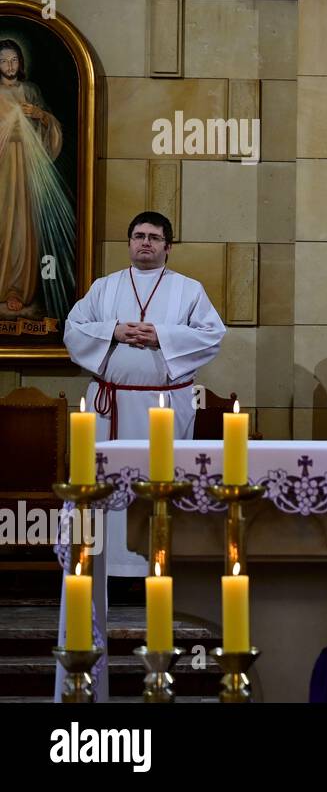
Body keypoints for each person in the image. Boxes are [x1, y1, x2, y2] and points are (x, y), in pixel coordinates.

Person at [58, 209, 225, 698]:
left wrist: (161, 335)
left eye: (154, 237)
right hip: (111, 407)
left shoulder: (188, 290)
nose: (145, 243)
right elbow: (74, 327)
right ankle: (110, 573)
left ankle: (157, 571)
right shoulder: (106, 287)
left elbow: (214, 334)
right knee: (108, 496)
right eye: (138, 236)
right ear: (129, 242)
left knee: (159, 490)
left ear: (169, 246)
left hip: (164, 410)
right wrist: (112, 332)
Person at [0, 38, 76, 320]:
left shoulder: (30, 91)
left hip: (27, 169)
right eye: (4, 60)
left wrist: (41, 115)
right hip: (3, 169)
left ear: (21, 63)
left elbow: (51, 130)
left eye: (14, 60)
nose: (9, 66)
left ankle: (16, 290)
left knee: (22, 229)